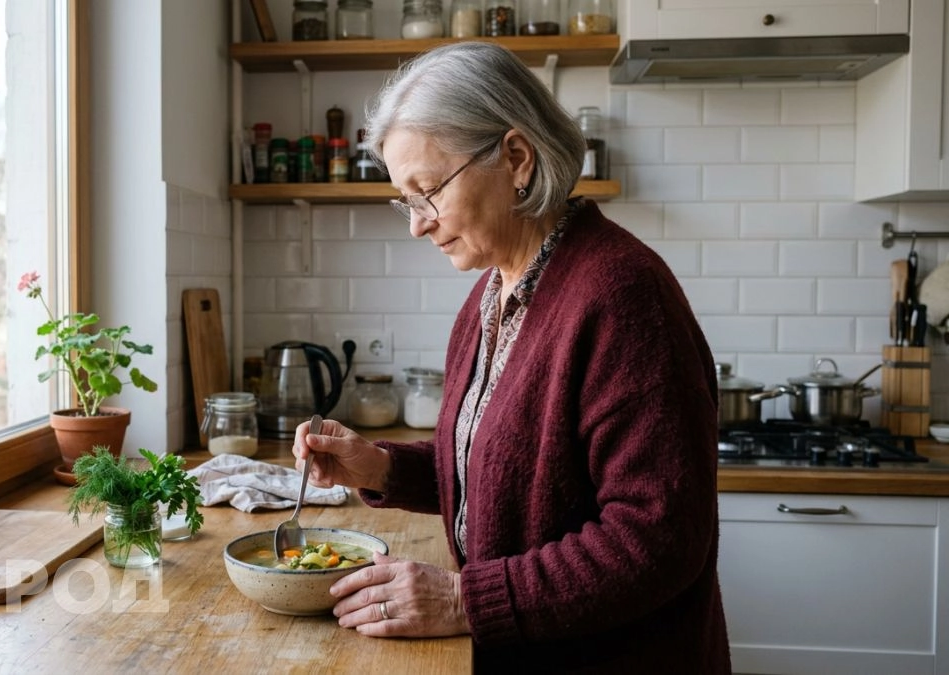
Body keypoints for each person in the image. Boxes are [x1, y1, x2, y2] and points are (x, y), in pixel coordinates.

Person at [291, 41, 730, 673]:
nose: (417, 225)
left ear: (515, 158)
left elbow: (657, 538)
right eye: (405, 201)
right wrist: (381, 468)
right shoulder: (490, 294)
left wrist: (466, 600)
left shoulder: (621, 294)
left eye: (428, 191)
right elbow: (508, 476)